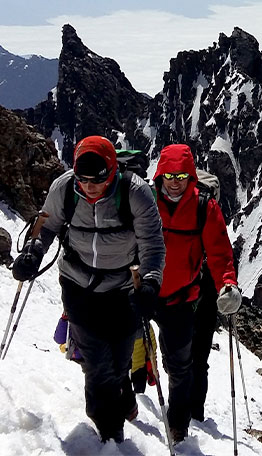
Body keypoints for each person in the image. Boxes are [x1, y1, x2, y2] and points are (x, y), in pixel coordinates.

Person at [12, 135, 165, 444]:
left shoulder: (134, 193)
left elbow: (152, 244)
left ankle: (122, 394)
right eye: (83, 180)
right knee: (96, 366)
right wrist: (32, 252)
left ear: (112, 171)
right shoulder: (64, 188)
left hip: (124, 290)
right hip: (78, 288)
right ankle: (110, 435)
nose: (90, 187)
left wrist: (150, 283)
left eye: (98, 180)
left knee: (120, 361)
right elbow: (46, 225)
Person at [151, 143, 241, 443]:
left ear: (190, 176)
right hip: (144, 290)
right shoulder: (146, 202)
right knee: (121, 352)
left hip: (180, 296)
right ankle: (123, 407)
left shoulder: (204, 206)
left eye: (181, 175)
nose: (174, 181)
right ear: (160, 175)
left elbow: (219, 254)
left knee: (179, 366)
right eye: (169, 175)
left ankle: (179, 426)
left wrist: (228, 284)